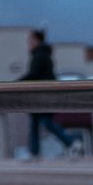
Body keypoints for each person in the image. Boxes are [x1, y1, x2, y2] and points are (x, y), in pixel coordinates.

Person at [21, 30, 80, 158]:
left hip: (42, 95)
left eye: (30, 40)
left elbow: (34, 74)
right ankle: (34, 151)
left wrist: (18, 82)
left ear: (37, 40)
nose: (29, 43)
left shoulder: (40, 55)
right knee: (37, 123)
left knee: (45, 123)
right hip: (41, 95)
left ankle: (70, 142)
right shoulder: (43, 54)